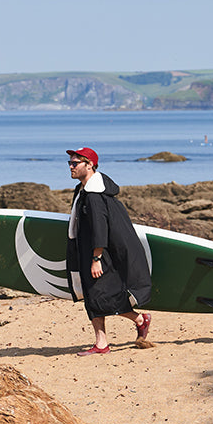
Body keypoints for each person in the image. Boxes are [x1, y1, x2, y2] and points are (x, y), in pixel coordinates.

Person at [66, 148, 152, 355]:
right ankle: (102, 343)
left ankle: (139, 319)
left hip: (100, 253)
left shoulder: (94, 196)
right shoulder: (84, 190)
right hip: (89, 250)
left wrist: (96, 258)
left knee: (101, 295)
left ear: (90, 165)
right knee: (92, 295)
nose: (70, 166)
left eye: (75, 163)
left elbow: (100, 228)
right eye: (69, 162)